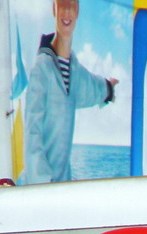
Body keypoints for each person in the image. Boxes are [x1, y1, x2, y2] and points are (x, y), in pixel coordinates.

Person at [24, 0, 118, 183]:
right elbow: (32, 133)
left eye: (72, 5)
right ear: (54, 9)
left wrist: (108, 88)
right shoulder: (42, 69)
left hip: (61, 184)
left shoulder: (74, 72)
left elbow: (92, 88)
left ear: (78, 11)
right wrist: (40, 185)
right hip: (39, 187)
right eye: (62, 4)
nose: (67, 11)